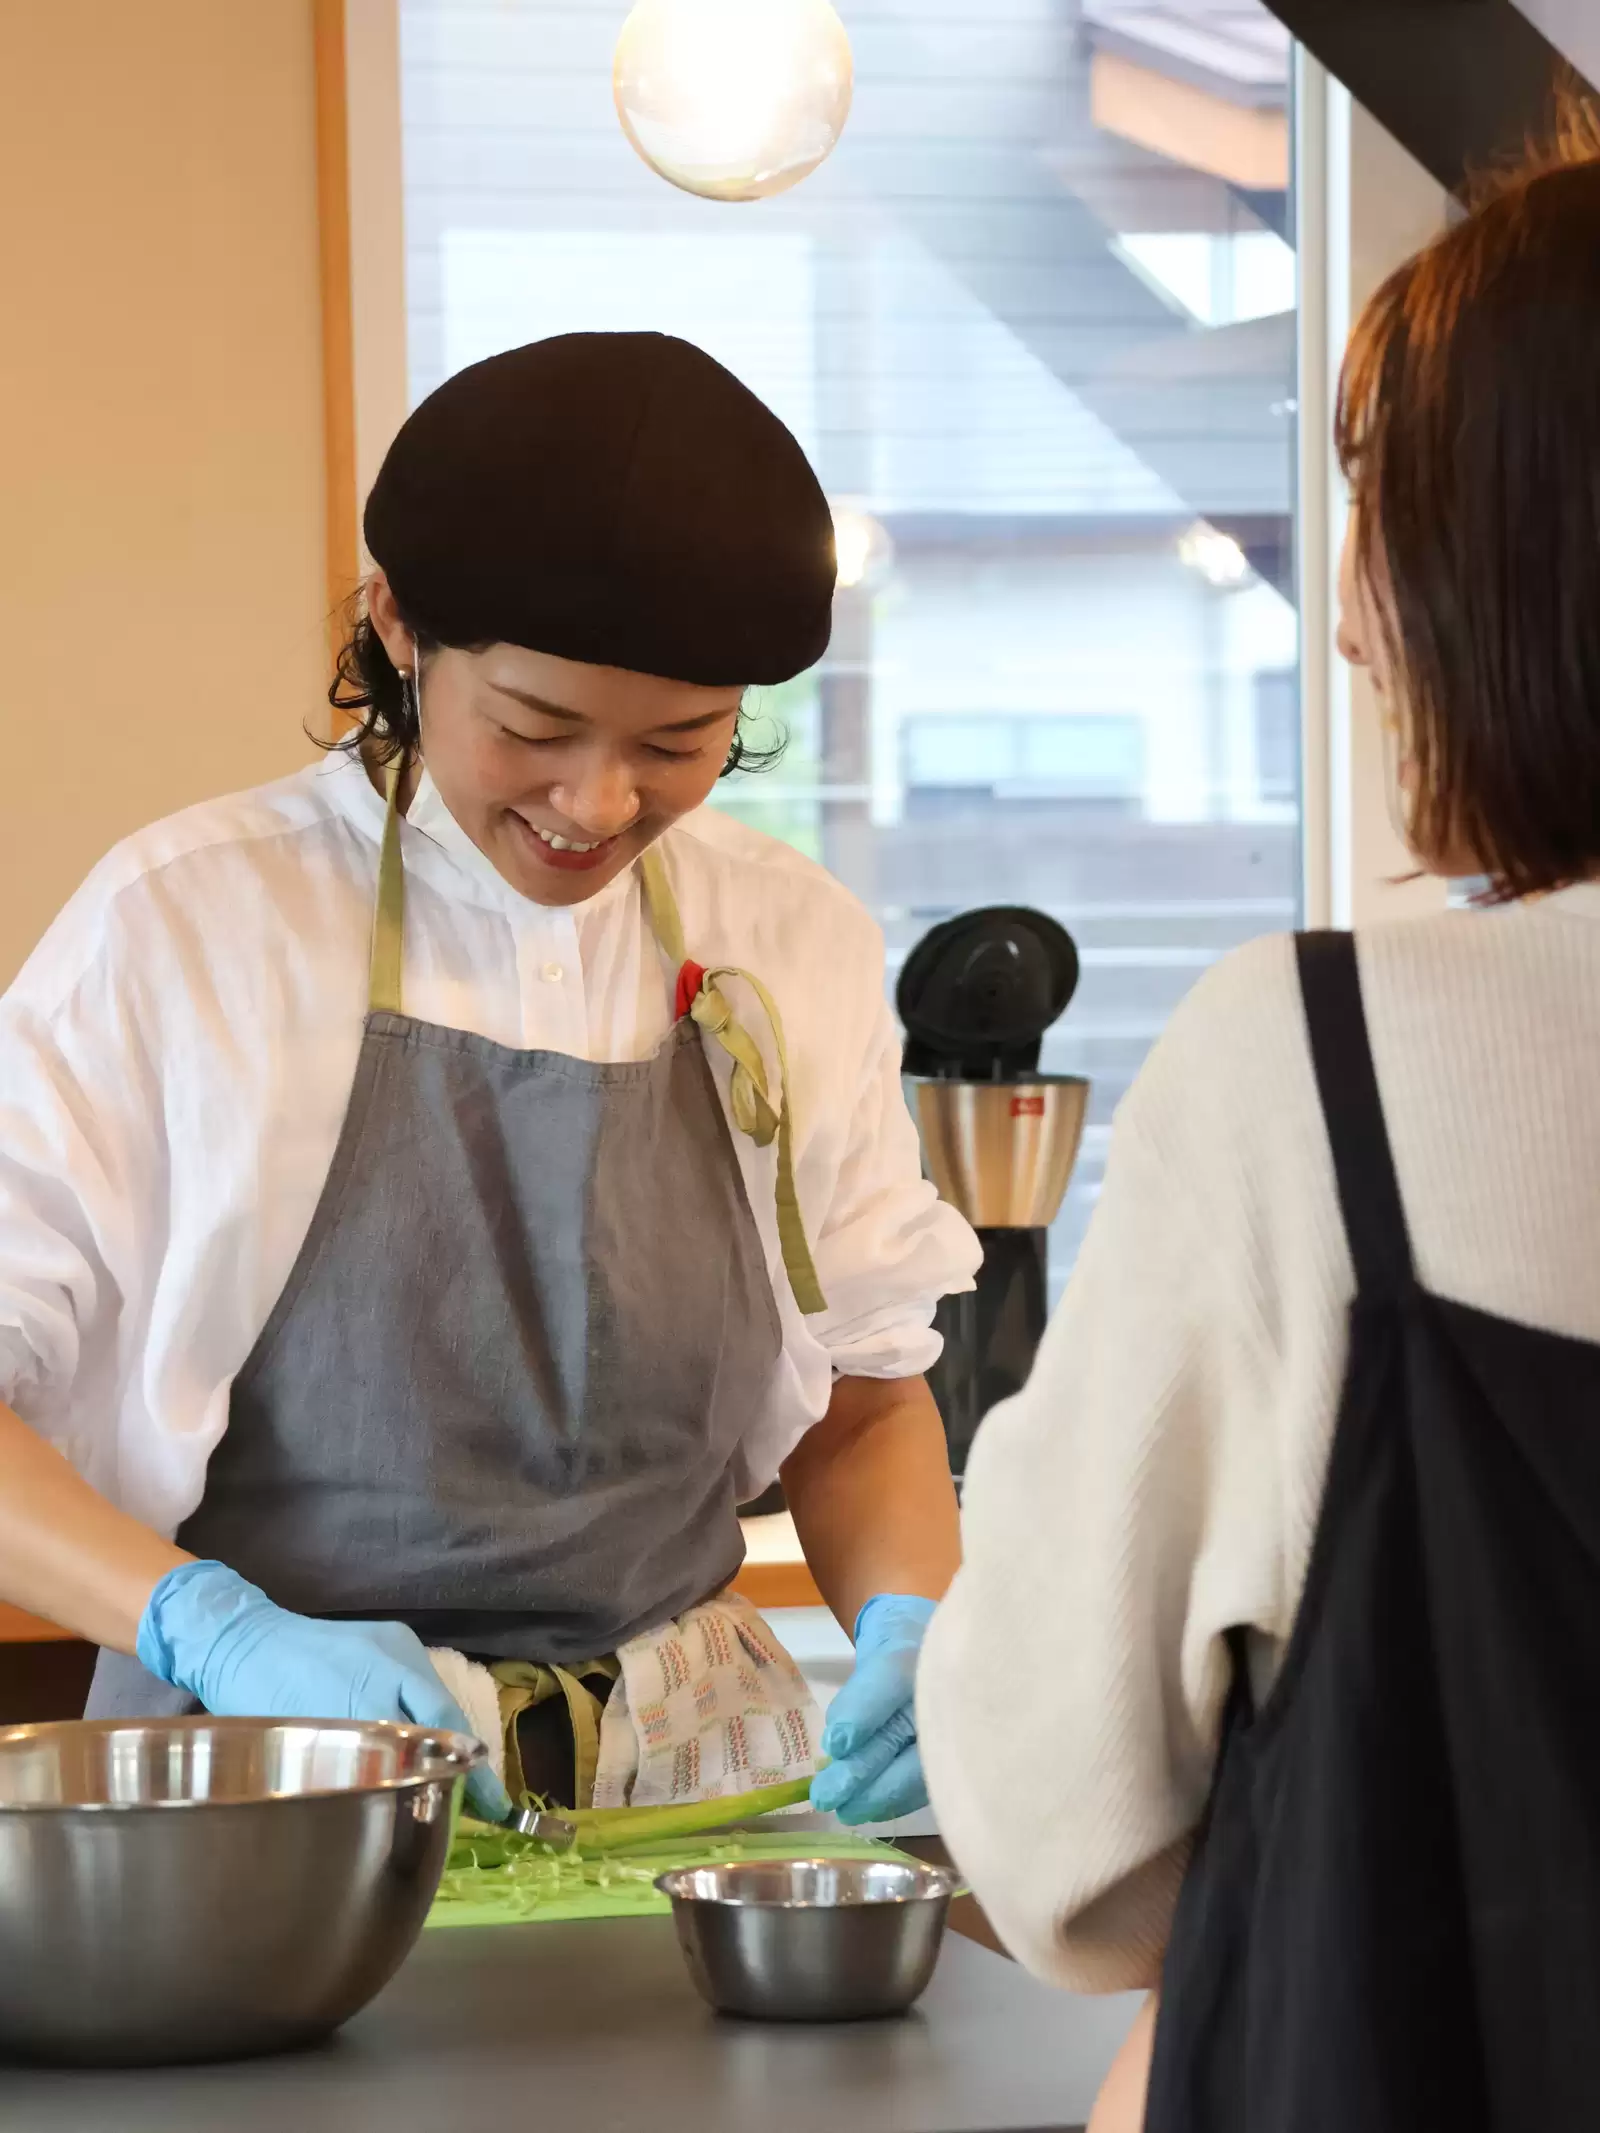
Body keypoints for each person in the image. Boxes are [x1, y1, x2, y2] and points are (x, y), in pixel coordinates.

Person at [0, 331, 978, 1827]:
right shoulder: (188, 927)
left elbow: (857, 1402)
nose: (597, 804)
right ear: (398, 626)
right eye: (533, 728)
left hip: (690, 1788)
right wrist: (213, 1625)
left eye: (679, 744)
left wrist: (921, 1631)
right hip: (274, 1797)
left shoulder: (789, 941)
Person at [920, 129, 1600, 2128]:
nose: (1352, 621)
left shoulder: (1313, 1061)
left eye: (1375, 504)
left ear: (1510, 550)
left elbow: (1064, 1824)